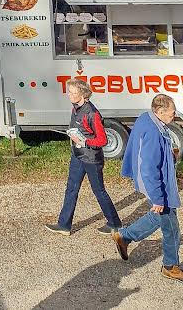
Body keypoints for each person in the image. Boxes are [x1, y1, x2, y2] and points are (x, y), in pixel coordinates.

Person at [113, 94, 183, 280]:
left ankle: (125, 236)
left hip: (151, 182)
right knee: (172, 228)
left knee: (159, 217)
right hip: (158, 186)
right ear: (159, 112)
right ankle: (170, 266)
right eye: (171, 113)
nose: (174, 117)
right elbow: (150, 168)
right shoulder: (153, 132)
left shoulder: (146, 117)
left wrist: (169, 155)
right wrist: (159, 198)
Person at [49, 76, 121, 235]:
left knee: (99, 191)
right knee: (71, 189)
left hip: (92, 158)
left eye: (73, 92)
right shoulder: (75, 108)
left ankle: (114, 223)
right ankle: (64, 225)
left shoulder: (92, 113)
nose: (69, 95)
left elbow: (102, 140)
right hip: (78, 155)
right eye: (69, 91)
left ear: (83, 94)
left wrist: (84, 142)